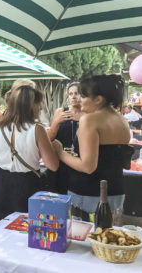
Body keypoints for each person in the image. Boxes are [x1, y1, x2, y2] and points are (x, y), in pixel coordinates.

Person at [52, 75, 132, 224]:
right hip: (116, 190)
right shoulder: (122, 120)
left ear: (98, 99)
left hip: (88, 194)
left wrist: (60, 152)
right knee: (108, 242)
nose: (80, 99)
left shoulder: (89, 120)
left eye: (83, 96)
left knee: (84, 243)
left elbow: (88, 166)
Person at [0, 85, 59, 220]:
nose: (40, 107)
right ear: (29, 105)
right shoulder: (37, 130)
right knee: (25, 228)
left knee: (0, 227)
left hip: (0, 182)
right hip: (27, 184)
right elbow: (53, 165)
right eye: (38, 103)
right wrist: (56, 148)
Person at [47, 82, 83, 194]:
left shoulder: (88, 115)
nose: (73, 96)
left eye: (77, 93)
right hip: (60, 160)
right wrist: (56, 122)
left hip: (79, 161)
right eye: (70, 94)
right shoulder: (61, 112)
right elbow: (50, 138)